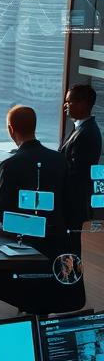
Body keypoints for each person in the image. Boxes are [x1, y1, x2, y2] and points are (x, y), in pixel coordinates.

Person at [0, 105, 76, 317]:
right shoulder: (59, 159)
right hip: (55, 236)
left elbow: (2, 212)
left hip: (25, 236)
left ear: (11, 130)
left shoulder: (11, 164)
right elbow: (67, 202)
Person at [61, 84, 101, 256]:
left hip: (73, 201)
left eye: (69, 102)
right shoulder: (81, 128)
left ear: (83, 104)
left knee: (70, 250)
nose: (65, 106)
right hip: (73, 200)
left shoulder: (87, 133)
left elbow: (77, 171)